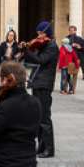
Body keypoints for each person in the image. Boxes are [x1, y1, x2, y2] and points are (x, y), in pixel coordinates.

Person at [21, 21, 59, 158]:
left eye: (41, 33)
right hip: (37, 83)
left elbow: (40, 60)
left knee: (45, 118)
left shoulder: (52, 46)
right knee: (38, 117)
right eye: (38, 34)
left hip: (44, 84)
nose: (39, 37)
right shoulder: (43, 45)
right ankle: (41, 146)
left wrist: (28, 51)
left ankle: (49, 149)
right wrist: (25, 50)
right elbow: (31, 60)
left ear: (47, 33)